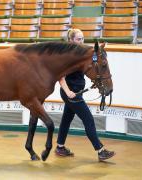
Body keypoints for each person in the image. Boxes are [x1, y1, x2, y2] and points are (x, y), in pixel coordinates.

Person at [55, 28, 115, 161]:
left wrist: (94, 82)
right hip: (71, 94)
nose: (82, 41)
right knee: (88, 119)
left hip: (76, 91)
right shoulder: (67, 56)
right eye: (78, 39)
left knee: (66, 119)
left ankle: (60, 147)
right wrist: (68, 92)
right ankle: (100, 150)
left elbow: (88, 69)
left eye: (82, 38)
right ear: (71, 40)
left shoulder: (81, 54)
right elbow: (60, 76)